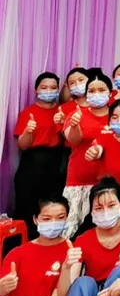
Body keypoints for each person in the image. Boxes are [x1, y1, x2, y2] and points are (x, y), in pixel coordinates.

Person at [63, 71, 114, 238]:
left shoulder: (117, 115)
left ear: (110, 92)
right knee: (72, 230)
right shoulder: (76, 114)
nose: (96, 94)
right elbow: (73, 140)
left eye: (101, 90)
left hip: (108, 181)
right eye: (91, 91)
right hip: (78, 180)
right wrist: (75, 126)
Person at [14, 72, 65, 237]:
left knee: (53, 205)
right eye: (44, 87)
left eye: (53, 87)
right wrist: (28, 131)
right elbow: (22, 145)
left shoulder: (62, 111)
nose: (49, 91)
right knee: (27, 206)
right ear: (36, 90)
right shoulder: (28, 112)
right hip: (32, 163)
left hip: (57, 162)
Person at [0, 195, 70, 296]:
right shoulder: (17, 254)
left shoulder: (71, 252)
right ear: (35, 219)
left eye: (60, 217)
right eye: (47, 219)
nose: (54, 223)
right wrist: (2, 289)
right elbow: (2, 293)